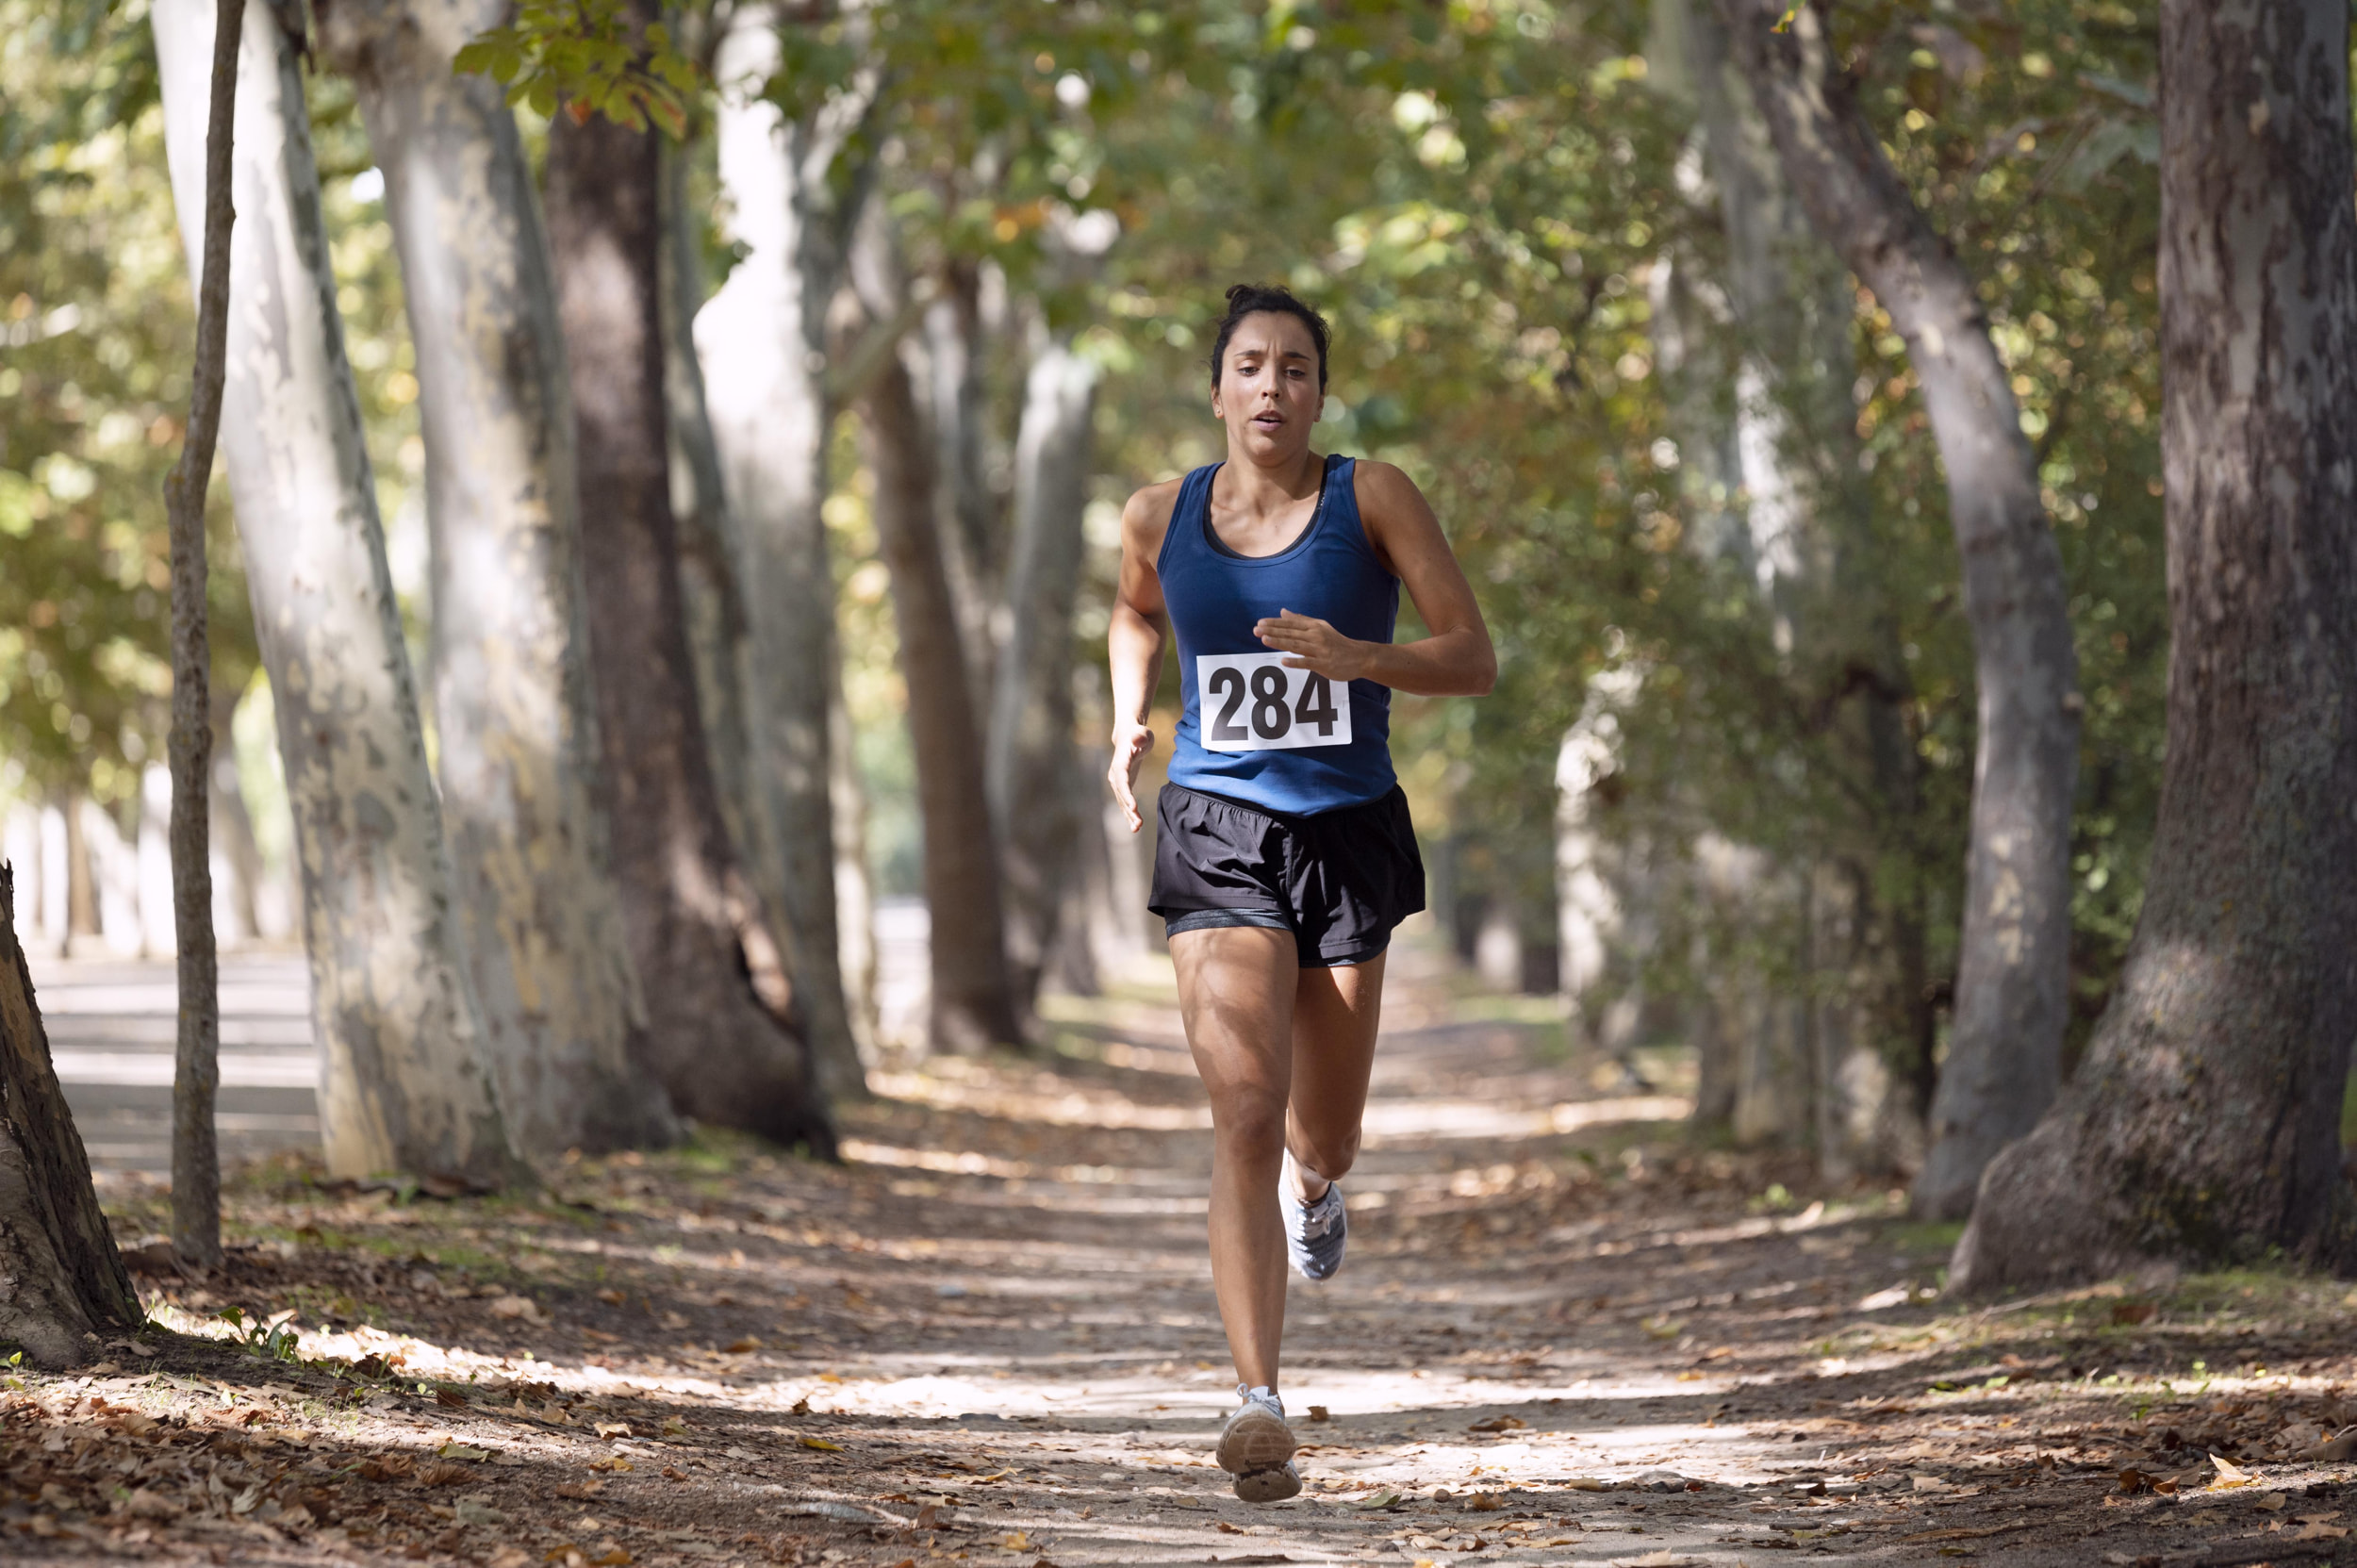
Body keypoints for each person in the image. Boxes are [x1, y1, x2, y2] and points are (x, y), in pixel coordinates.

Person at [1106, 283, 1497, 1502]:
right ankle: (1256, 1400)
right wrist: (1125, 718)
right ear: (1217, 389)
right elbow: (1134, 612)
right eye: (1252, 367)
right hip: (1219, 827)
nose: (1273, 388)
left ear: (1320, 394)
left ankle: (1316, 1188)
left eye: (1297, 371)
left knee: (1317, 1129)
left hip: (1347, 831)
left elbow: (1472, 655)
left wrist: (1358, 657)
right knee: (1240, 1104)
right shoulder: (1158, 512)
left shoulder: (1369, 499)